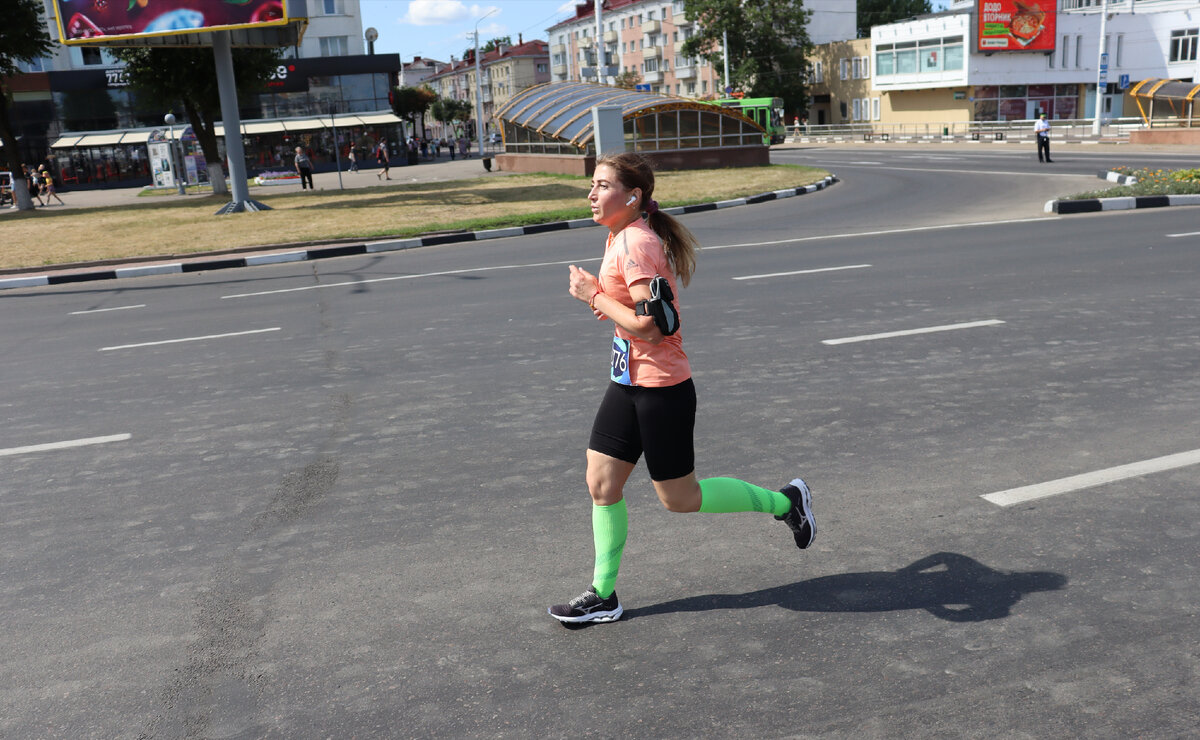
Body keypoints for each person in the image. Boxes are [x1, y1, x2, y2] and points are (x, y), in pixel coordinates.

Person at [549, 152, 817, 625]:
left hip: (661, 389)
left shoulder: (635, 243)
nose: (591, 194)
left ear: (632, 197)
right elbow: (637, 315)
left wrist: (593, 295)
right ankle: (603, 595)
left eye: (602, 186)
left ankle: (785, 502)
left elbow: (653, 328)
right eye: (591, 185)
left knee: (680, 499)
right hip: (627, 382)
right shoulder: (620, 234)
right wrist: (607, 301)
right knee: (601, 483)